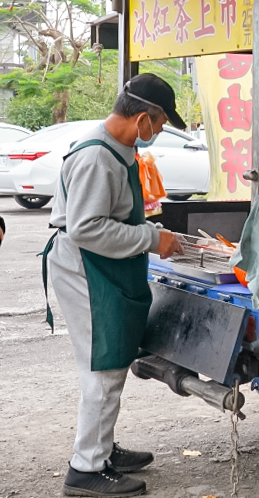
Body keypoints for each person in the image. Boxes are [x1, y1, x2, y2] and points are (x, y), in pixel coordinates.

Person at [43, 74, 186, 497]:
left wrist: (148, 231)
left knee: (109, 362)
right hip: (85, 268)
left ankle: (101, 449)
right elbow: (88, 229)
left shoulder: (116, 148)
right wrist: (151, 239)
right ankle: (85, 469)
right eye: (159, 124)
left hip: (100, 267)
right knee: (103, 367)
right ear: (143, 118)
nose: (158, 132)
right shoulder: (97, 158)